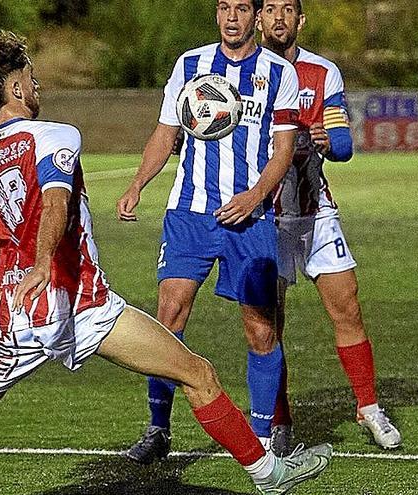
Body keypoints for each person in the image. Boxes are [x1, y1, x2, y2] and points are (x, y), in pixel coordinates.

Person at [0, 31, 331, 495]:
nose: (37, 82)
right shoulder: (55, 136)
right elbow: (54, 201)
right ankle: (269, 475)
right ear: (14, 86)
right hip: (83, 305)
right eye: (30, 75)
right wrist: (46, 263)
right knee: (198, 373)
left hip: (17, 314)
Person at [117, 0, 300, 462]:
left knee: (260, 329)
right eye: (224, 7)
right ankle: (158, 428)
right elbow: (165, 134)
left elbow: (283, 151)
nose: (231, 17)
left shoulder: (280, 73)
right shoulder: (189, 65)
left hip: (250, 218)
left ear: (256, 17)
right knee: (168, 319)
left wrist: (254, 197)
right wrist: (138, 184)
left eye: (241, 8)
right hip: (190, 215)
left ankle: (260, 439)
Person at [257, 0, 402, 455]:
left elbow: (342, 144)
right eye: (269, 9)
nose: (278, 17)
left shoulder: (323, 73)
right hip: (266, 216)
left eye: (287, 10)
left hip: (316, 212)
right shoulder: (243, 74)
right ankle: (279, 420)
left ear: (300, 20)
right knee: (268, 325)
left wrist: (326, 139)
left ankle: (368, 406)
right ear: (259, 19)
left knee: (348, 307)